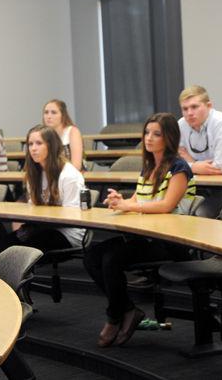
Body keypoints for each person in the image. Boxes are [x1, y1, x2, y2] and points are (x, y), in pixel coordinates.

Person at [83, 112, 196, 348]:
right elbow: (138, 199)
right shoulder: (148, 167)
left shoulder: (179, 168)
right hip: (145, 236)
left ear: (169, 138)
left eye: (157, 134)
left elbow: (166, 206)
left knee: (111, 260)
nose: (149, 138)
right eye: (147, 133)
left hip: (169, 242)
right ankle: (127, 310)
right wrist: (119, 200)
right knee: (92, 256)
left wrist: (129, 204)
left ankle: (115, 317)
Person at [3, 125, 86, 252]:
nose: (33, 149)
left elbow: (72, 216)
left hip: (67, 233)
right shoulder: (34, 173)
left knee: (20, 252)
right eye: (30, 144)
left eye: (39, 143)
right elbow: (34, 208)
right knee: (3, 246)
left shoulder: (69, 175)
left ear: (51, 146)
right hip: (42, 227)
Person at [42, 99, 85, 171]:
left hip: (72, 176)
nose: (49, 116)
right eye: (46, 112)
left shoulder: (72, 131)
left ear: (63, 115)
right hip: (51, 176)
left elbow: (76, 165)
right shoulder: (43, 133)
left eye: (54, 112)